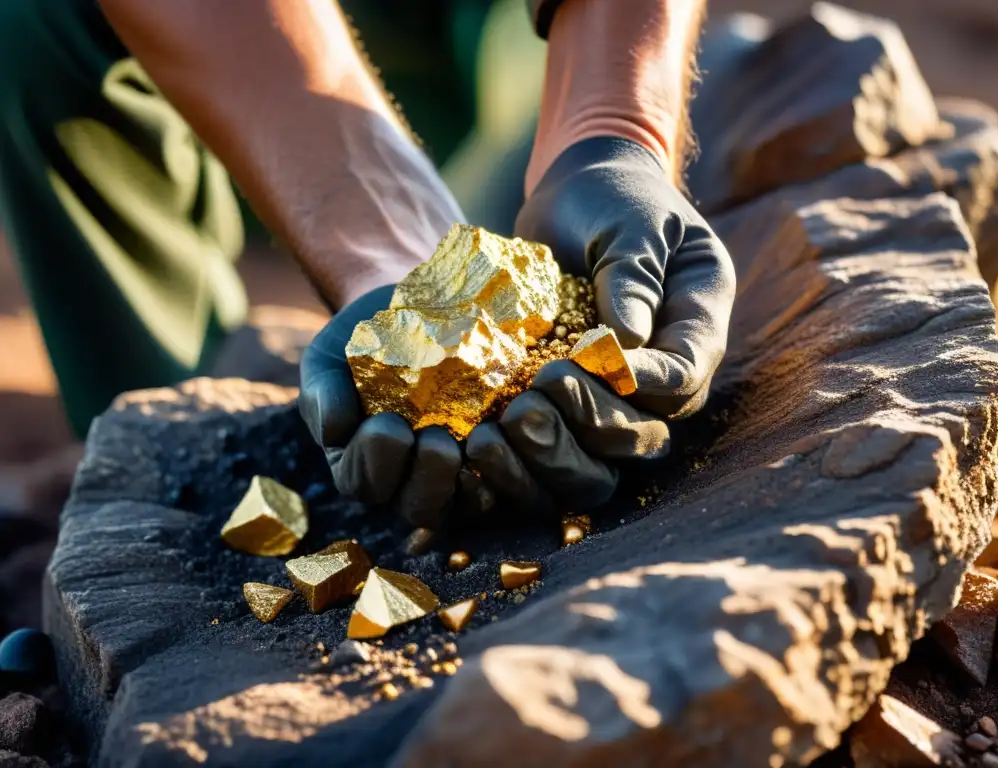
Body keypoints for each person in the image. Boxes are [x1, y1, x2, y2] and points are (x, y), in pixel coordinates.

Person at [2, 0, 735, 528]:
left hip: (512, 39)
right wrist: (381, 242)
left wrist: (608, 132)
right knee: (36, 21)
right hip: (259, 46)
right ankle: (188, 445)